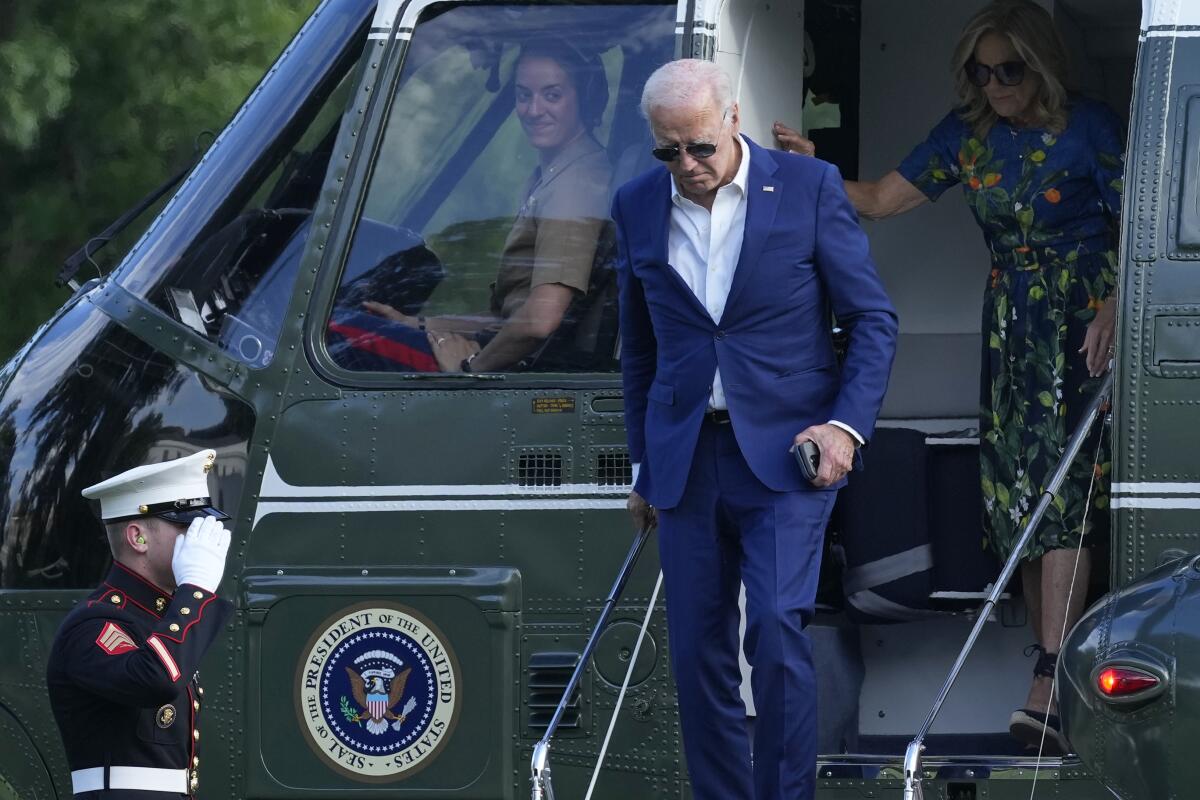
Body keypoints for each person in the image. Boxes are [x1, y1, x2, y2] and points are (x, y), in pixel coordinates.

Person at [775, 0, 1122, 754]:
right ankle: (1051, 683)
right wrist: (811, 172)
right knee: (1020, 498)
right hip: (1012, 324)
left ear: (1041, 64)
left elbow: (1142, 224)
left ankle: (1051, 680)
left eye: (1009, 69)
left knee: (1065, 497)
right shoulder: (968, 139)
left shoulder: (1092, 126)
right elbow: (879, 200)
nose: (995, 84)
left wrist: (1119, 308)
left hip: (1082, 321)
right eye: (980, 70)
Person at [614, 59, 897, 800]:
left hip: (787, 453)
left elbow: (872, 319)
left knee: (774, 632)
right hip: (684, 458)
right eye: (668, 150)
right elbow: (639, 348)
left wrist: (845, 429)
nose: (687, 164)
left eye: (700, 145)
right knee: (695, 652)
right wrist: (643, 466)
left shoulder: (808, 188)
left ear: (732, 118)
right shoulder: (637, 204)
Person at [332, 40, 612, 373]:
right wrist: (418, 324)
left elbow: (539, 320)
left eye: (552, 95)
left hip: (515, 369)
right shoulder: (555, 173)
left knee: (337, 332)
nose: (534, 110)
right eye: (524, 95)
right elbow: (510, 317)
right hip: (507, 353)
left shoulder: (574, 184)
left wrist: (469, 369)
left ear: (585, 98)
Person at [46, 449, 234, 797]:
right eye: (184, 525)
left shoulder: (154, 621)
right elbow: (155, 680)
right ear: (138, 537)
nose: (199, 536)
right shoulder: (93, 624)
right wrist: (195, 590)